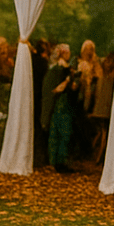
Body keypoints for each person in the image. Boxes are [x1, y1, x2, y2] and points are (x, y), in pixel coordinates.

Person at [40, 43, 78, 173]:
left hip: (65, 103)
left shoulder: (66, 69)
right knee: (59, 132)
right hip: (59, 104)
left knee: (62, 133)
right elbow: (52, 89)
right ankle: (57, 161)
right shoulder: (57, 70)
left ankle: (60, 160)